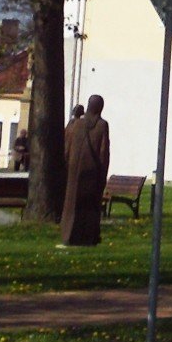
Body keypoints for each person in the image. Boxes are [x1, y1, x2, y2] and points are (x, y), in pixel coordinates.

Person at [59, 95, 111, 246]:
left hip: (74, 169)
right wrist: (103, 172)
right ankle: (87, 236)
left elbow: (67, 147)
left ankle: (68, 235)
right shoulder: (102, 125)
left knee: (71, 202)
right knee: (89, 203)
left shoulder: (76, 124)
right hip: (92, 170)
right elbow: (103, 152)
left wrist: (67, 165)